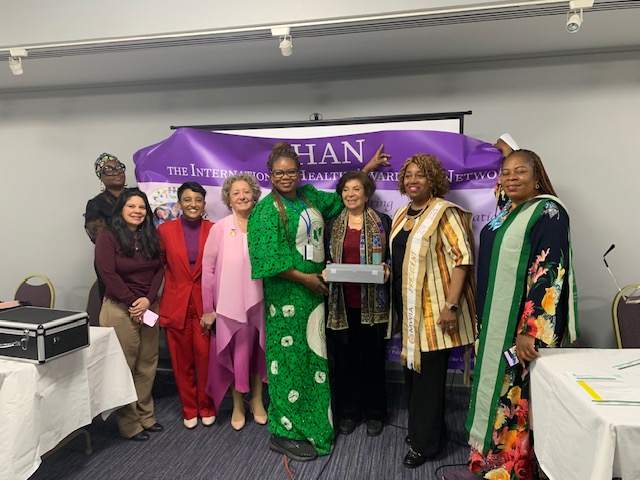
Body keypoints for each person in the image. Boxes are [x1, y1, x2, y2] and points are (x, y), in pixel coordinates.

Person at [248, 142, 389, 462]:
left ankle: (313, 421)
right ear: (270, 175)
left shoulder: (309, 197)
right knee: (289, 364)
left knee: (312, 360)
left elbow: (343, 196)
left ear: (300, 173)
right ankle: (285, 430)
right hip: (288, 300)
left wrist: (365, 171)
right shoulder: (266, 210)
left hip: (314, 300)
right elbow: (268, 261)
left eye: (291, 171)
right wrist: (307, 280)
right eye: (279, 172)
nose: (286, 177)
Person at [466, 149, 578, 479]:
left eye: (521, 172)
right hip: (494, 324)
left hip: (523, 329)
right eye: (506, 172)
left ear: (537, 176)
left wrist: (531, 328)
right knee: (494, 392)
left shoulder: (548, 212)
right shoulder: (508, 212)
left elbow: (549, 271)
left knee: (514, 399)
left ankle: (513, 471)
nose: (512, 177)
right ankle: (487, 464)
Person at [389, 154, 476, 469]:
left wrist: (451, 305)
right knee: (414, 375)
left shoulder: (444, 213)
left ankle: (426, 446)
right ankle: (424, 431)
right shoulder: (402, 214)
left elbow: (462, 259)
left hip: (436, 310)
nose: (413, 180)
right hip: (408, 311)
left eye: (421, 176)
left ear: (433, 180)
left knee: (428, 379)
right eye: (409, 175)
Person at [323, 170, 391, 438]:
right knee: (344, 360)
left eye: (356, 189)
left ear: (367, 193)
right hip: (341, 303)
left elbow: (393, 258)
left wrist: (387, 269)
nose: (351, 195)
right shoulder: (331, 224)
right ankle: (349, 412)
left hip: (374, 305)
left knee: (373, 360)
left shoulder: (382, 222)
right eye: (346, 190)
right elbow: (322, 258)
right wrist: (325, 267)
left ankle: (375, 413)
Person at [95, 187, 165, 441]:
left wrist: (147, 300)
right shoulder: (108, 235)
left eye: (142, 207)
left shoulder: (150, 235)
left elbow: (159, 268)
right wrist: (133, 302)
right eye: (131, 207)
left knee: (148, 363)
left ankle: (146, 416)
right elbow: (107, 273)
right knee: (124, 367)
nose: (137, 211)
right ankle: (130, 423)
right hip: (119, 309)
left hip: (148, 307)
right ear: (121, 210)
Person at [200, 173, 268, 432]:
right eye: (236, 192)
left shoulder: (263, 225)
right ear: (228, 198)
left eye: (246, 191)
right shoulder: (219, 228)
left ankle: (258, 400)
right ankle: (239, 404)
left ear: (254, 195)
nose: (241, 196)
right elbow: (208, 272)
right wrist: (209, 309)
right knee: (236, 355)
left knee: (258, 352)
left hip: (260, 303)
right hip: (227, 308)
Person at [158, 182, 216, 429]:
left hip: (205, 307)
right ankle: (189, 408)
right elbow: (157, 267)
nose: (193, 204)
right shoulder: (164, 231)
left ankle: (207, 406)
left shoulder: (215, 230)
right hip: (176, 305)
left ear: (204, 203)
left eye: (198, 199)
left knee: (205, 360)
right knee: (181, 363)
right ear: (179, 203)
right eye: (187, 199)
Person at [85, 153, 127, 299]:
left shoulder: (138, 196)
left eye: (119, 167)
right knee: (116, 311)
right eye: (108, 169)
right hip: (111, 266)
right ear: (100, 178)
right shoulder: (95, 205)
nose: (116, 172)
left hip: (142, 266)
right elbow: (101, 239)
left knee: (144, 312)